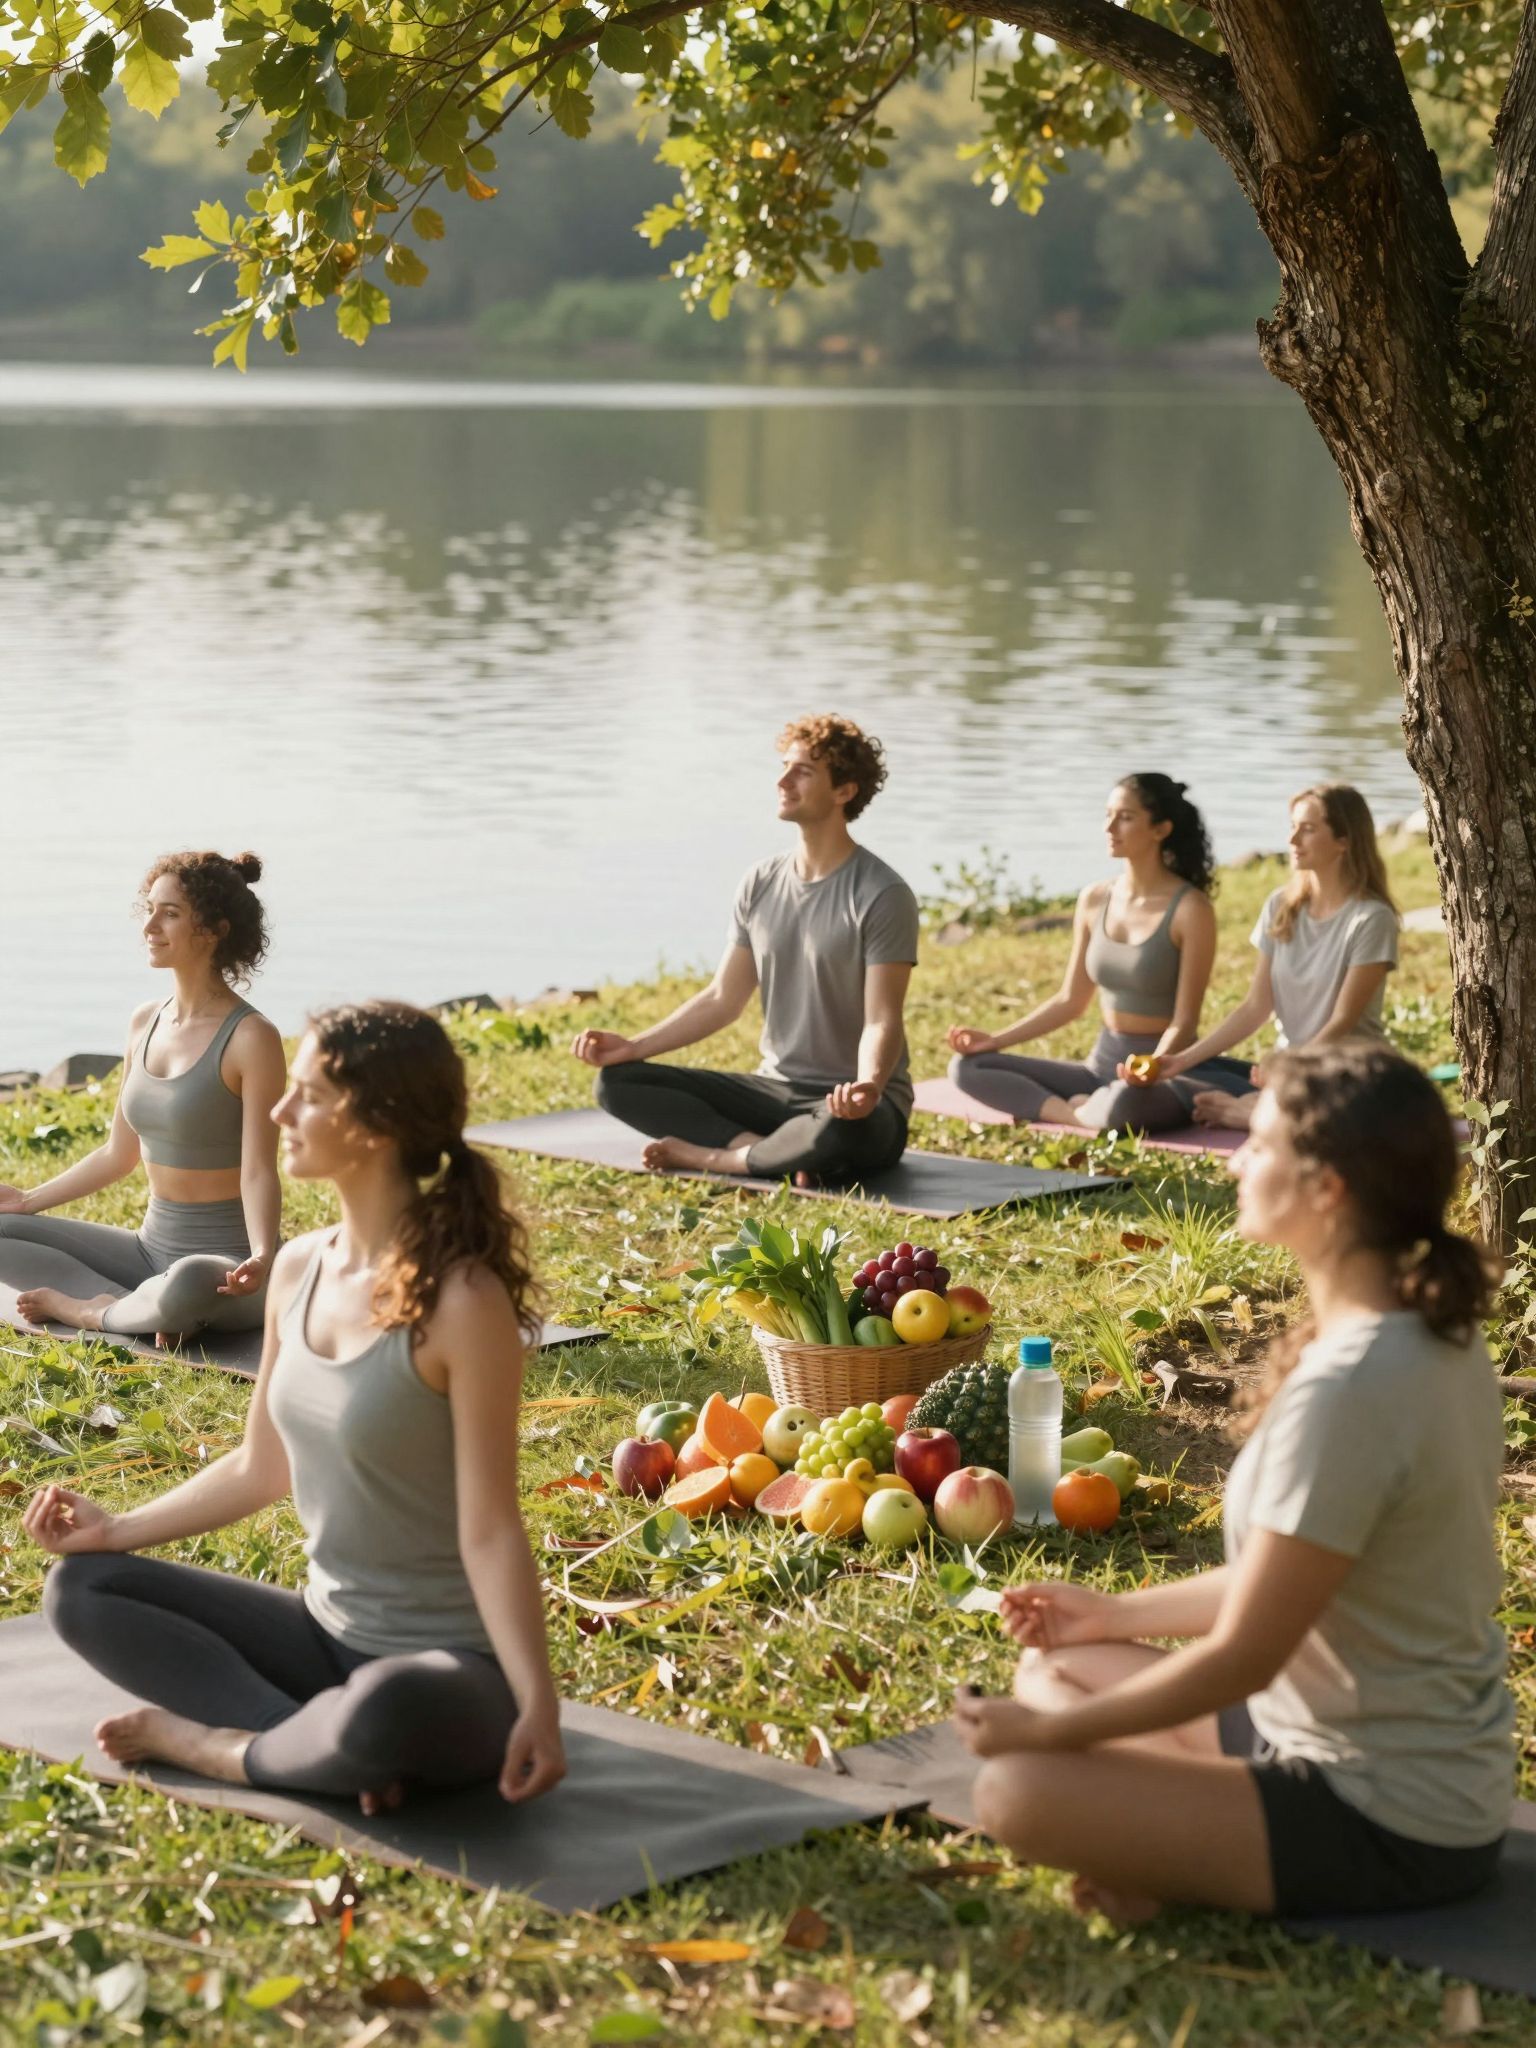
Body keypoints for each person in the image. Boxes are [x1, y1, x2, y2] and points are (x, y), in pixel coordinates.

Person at [954, 1042, 1512, 1924]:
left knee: (1015, 1790)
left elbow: (1245, 1655)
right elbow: (1290, 1581)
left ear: (1328, 1190)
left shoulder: (1353, 1388)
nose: (1237, 1161)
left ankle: (1164, 1845)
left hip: (1389, 1814)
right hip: (1316, 1734)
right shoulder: (1432, 1333)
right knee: (1059, 1662)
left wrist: (1050, 1735)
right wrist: (1111, 1615)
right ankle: (1171, 1829)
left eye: (1261, 1144)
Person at [25, 1001, 565, 1814]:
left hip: (444, 1670)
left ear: (376, 1125)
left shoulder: (462, 1302)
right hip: (319, 1636)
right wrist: (115, 1530)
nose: (278, 1111)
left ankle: (222, 1748)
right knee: (82, 1590)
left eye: (308, 1095)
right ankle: (316, 1747)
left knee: (389, 1708)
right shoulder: (298, 1269)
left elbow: (491, 1527)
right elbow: (260, 1466)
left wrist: (540, 1704)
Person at [571, 715, 919, 1185]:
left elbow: (882, 1019)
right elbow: (723, 999)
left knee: (841, 1129)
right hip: (774, 1091)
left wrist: (868, 1086)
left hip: (855, 1105)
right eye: (784, 767)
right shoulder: (760, 882)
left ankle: (716, 1158)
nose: (783, 781)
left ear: (844, 791)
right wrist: (634, 1046)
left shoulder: (881, 893)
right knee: (618, 1083)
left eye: (803, 772)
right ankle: (764, 1151)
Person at [0, 852, 285, 1336]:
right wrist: (27, 1200)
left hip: (224, 1265)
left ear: (215, 930)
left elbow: (259, 1169)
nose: (150, 926)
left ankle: (91, 1311)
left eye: (169, 914)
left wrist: (262, 1256)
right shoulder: (144, 1022)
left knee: (188, 1281)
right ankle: (138, 1307)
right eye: (149, 910)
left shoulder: (251, 1037)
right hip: (146, 1250)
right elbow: (118, 1154)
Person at [945, 776, 1246, 1133]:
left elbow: (1185, 1022)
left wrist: (1151, 1066)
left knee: (1124, 1102)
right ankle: (1075, 1115)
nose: (1109, 827)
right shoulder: (1094, 899)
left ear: (1161, 829)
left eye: (1125, 818)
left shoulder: (1191, 909)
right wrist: (996, 1040)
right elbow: (1070, 1000)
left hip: (1164, 1072)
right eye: (1108, 815)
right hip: (1099, 1066)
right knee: (968, 1067)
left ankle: (1087, 1108)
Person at [1142, 784, 1400, 1132]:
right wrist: (1179, 1060)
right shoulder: (1281, 906)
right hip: (1289, 1068)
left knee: (1323, 1116)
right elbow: (1255, 1007)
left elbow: (1342, 1021)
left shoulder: (1371, 918)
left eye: (1308, 829)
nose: (1293, 839)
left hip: (1346, 1070)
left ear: (1344, 841)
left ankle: (1250, 1113)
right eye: (1293, 826)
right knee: (1188, 1075)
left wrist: (1287, 1068)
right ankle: (1260, 1110)